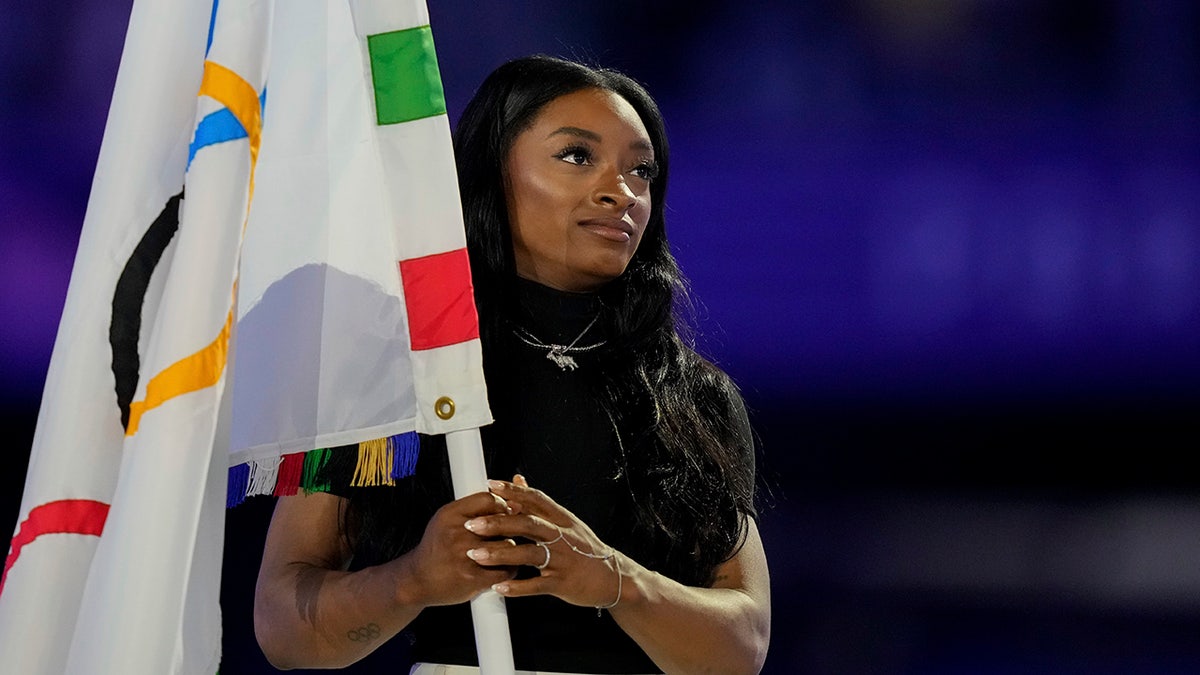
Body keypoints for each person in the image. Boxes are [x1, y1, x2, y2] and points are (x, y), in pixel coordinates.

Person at [253, 54, 771, 674]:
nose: (623, 191)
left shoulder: (692, 397)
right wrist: (415, 579)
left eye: (642, 170)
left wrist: (610, 578)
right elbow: (284, 625)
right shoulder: (390, 373)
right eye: (577, 156)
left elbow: (742, 646)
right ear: (492, 172)